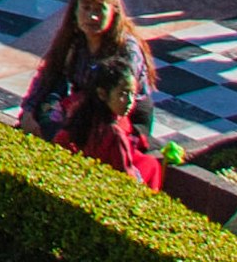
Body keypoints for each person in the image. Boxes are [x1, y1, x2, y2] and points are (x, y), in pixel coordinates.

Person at [17, 0, 156, 142]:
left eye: (100, 10)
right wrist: (29, 111)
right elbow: (48, 75)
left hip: (119, 114)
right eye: (86, 8)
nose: (92, 17)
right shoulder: (74, 42)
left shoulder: (127, 49)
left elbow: (116, 101)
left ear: (113, 12)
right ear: (75, 11)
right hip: (83, 107)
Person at [56, 55, 166, 191]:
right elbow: (126, 177)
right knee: (152, 165)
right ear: (102, 93)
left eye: (132, 94)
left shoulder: (82, 113)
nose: (130, 101)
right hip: (105, 184)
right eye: (123, 94)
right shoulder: (114, 133)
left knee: (146, 160)